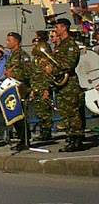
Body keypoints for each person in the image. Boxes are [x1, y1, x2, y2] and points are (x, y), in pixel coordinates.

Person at [45, 18, 84, 151]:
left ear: (64, 28)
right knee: (66, 114)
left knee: (73, 113)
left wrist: (53, 70)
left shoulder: (70, 45)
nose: (54, 30)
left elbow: (70, 63)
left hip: (70, 84)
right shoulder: (61, 45)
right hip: (62, 85)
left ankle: (77, 140)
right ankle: (71, 139)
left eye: (56, 27)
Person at [4, 32, 33, 151]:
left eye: (9, 40)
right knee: (15, 115)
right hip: (12, 89)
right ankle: (21, 139)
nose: (7, 43)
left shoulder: (23, 55)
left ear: (16, 41)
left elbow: (28, 73)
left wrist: (14, 74)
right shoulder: (11, 56)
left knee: (22, 115)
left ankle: (25, 140)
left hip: (21, 88)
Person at [30, 39, 55, 141]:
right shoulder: (35, 61)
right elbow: (33, 76)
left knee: (45, 111)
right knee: (39, 111)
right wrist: (32, 89)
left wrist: (47, 89)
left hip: (44, 88)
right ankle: (42, 130)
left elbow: (48, 76)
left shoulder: (47, 61)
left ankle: (47, 131)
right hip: (36, 88)